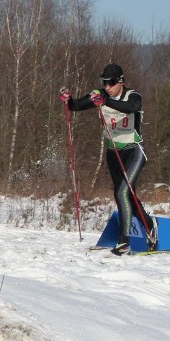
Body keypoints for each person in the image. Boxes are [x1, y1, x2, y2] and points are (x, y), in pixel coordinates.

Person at [60, 63, 157, 255]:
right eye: (104, 83)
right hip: (113, 152)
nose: (107, 87)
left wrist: (105, 101)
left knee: (122, 193)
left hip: (134, 151)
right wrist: (68, 100)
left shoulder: (132, 95)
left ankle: (124, 242)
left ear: (121, 82)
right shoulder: (100, 94)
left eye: (111, 83)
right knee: (126, 196)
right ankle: (149, 225)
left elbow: (132, 107)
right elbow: (76, 106)